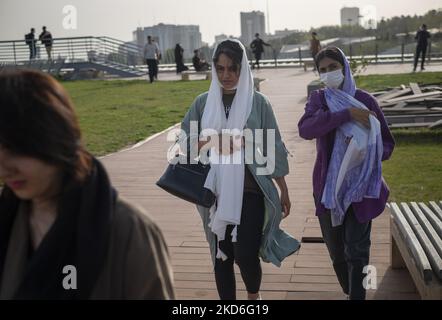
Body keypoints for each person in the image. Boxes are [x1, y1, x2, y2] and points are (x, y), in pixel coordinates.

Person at [0, 70, 175, 299]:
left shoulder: (129, 230)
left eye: (15, 149)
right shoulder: (8, 219)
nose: (4, 169)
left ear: (54, 138)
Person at [179, 40, 300, 300]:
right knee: (221, 256)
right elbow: (185, 143)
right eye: (220, 68)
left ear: (243, 68)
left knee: (245, 254)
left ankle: (253, 298)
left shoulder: (258, 103)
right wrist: (213, 140)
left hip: (252, 191)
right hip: (215, 196)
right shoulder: (203, 103)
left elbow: (274, 147)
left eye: (232, 69)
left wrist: (284, 190)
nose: (226, 75)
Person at [298, 47, 395, 300]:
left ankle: (357, 295)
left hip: (361, 188)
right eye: (323, 70)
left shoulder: (366, 100)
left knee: (357, 249)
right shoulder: (319, 100)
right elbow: (306, 129)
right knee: (337, 251)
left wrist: (367, 152)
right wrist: (347, 114)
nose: (329, 73)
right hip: (329, 188)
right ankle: (350, 290)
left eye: (334, 67)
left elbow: (387, 144)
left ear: (345, 67)